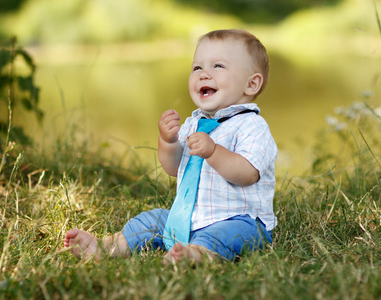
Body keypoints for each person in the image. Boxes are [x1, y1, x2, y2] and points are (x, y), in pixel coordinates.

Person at [64, 29, 278, 265]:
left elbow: (248, 174)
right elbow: (174, 167)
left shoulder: (252, 126)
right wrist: (168, 141)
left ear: (251, 83)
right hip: (188, 219)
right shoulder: (194, 123)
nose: (204, 74)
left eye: (218, 66)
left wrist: (214, 152)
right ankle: (106, 246)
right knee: (151, 220)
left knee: (224, 236)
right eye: (197, 68)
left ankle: (198, 254)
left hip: (240, 221)